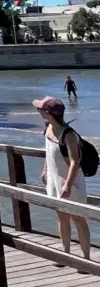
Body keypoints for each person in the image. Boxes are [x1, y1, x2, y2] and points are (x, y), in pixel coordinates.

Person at [35, 96, 91, 264]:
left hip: (71, 182)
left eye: (40, 109)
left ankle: (86, 259)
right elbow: (49, 152)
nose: (38, 111)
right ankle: (65, 254)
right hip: (53, 180)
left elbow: (75, 162)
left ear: (48, 112)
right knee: (62, 217)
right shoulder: (48, 127)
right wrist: (45, 170)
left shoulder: (69, 135)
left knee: (79, 219)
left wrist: (67, 185)